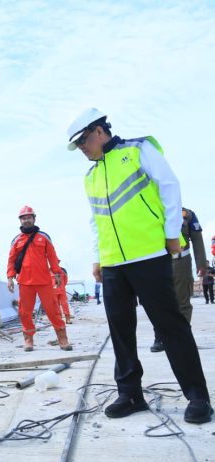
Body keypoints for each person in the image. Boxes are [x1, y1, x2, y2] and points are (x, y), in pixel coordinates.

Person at [67, 107, 212, 424]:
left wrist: (172, 233)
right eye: (77, 146)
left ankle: (198, 397)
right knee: (120, 331)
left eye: (83, 142)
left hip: (148, 255)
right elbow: (96, 220)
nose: (81, 149)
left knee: (170, 325)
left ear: (99, 131)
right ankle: (130, 394)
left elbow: (169, 185)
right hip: (113, 264)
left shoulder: (138, 150)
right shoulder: (91, 177)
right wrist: (97, 257)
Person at [7, 205, 72, 352]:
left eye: (29, 217)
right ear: (20, 221)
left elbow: (52, 257)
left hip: (44, 281)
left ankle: (62, 338)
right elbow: (11, 260)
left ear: (34, 219)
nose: (26, 220)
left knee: (53, 311)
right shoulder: (16, 240)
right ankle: (28, 339)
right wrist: (10, 278)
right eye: (24, 218)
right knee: (24, 312)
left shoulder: (44, 237)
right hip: (25, 282)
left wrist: (57, 273)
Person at [150, 207, 207, 352]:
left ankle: (183, 337)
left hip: (182, 262)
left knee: (183, 302)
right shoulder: (152, 209)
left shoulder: (187, 214)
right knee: (158, 301)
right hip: (158, 262)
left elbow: (197, 238)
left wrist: (201, 264)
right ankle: (160, 337)